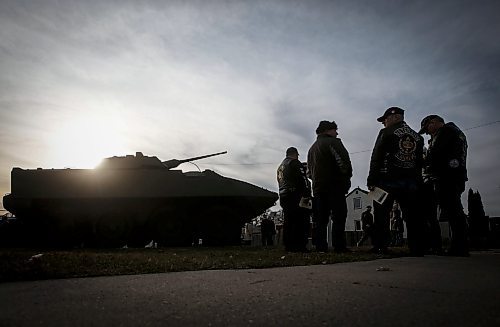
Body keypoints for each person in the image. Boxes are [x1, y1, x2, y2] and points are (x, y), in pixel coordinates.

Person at [367, 107, 425, 255]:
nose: (384, 123)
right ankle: (417, 247)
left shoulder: (386, 133)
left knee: (381, 214)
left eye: (385, 120)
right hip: (410, 182)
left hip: (386, 180)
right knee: (412, 216)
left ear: (393, 117)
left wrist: (372, 179)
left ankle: (381, 246)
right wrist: (418, 181)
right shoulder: (418, 137)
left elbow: (377, 156)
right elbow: (419, 161)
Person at [419, 114, 469, 256]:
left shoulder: (447, 131)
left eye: (427, 128)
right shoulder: (455, 132)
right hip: (455, 175)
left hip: (448, 177)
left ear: (434, 122)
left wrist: (426, 163)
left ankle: (459, 247)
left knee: (454, 212)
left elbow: (436, 155)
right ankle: (459, 245)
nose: (428, 133)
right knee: (454, 211)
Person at [307, 121, 352, 252]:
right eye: (334, 130)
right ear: (327, 130)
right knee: (339, 215)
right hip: (335, 185)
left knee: (321, 218)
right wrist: (346, 179)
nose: (336, 133)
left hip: (318, 188)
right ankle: (339, 246)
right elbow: (343, 163)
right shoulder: (334, 142)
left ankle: (321, 246)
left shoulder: (312, 149)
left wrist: (317, 180)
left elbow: (309, 172)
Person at [277, 147, 311, 252]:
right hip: (295, 195)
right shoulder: (295, 163)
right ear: (296, 154)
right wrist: (307, 194)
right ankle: (300, 245)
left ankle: (288, 245)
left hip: (283, 195)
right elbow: (303, 180)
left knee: (288, 221)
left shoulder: (281, 166)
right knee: (301, 221)